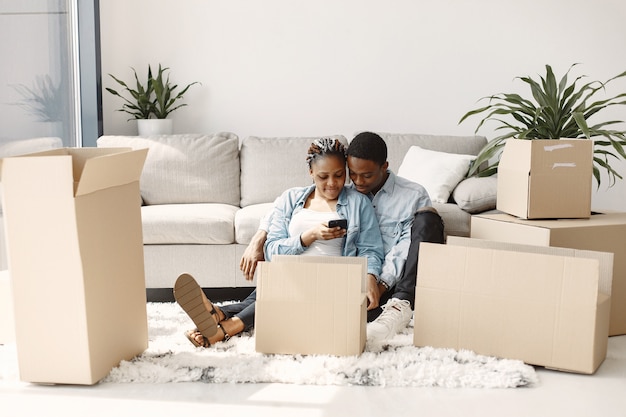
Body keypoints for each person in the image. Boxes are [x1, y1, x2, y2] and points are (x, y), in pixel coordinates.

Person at [174, 137, 384, 347]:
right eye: (323, 176)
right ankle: (220, 318)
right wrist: (308, 237)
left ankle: (226, 321)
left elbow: (371, 249)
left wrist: (370, 276)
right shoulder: (290, 199)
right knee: (275, 287)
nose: (332, 183)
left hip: (332, 283)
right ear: (311, 172)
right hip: (288, 275)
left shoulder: (359, 203)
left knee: (277, 290)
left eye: (339, 175)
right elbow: (272, 251)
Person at [240, 131, 445, 345]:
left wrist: (378, 282)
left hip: (389, 280)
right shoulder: (343, 189)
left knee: (429, 219)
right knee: (287, 293)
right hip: (357, 278)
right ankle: (226, 317)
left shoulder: (412, 195)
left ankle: (400, 305)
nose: (357, 181)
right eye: (352, 174)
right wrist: (258, 238)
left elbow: (404, 248)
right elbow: (282, 207)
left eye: (366, 175)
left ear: (384, 167)